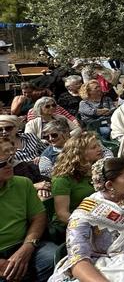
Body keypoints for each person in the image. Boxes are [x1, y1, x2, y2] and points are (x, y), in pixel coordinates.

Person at [0, 139, 56, 282]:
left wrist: (28, 246)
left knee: (53, 256)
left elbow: (38, 216)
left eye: (10, 160)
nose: (9, 165)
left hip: (25, 243)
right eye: (2, 164)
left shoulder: (22, 183)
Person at [49, 133, 107, 243]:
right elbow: (62, 214)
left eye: (98, 146)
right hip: (72, 226)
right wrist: (90, 227)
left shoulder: (96, 169)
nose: (99, 149)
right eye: (94, 147)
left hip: (96, 218)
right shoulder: (62, 179)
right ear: (80, 153)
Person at [0, 115, 49, 196]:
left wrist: (41, 157)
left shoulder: (30, 137)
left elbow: (46, 151)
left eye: (8, 128)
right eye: (0, 129)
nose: (4, 132)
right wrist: (35, 187)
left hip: (38, 170)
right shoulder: (6, 162)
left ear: (16, 128)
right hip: (21, 179)